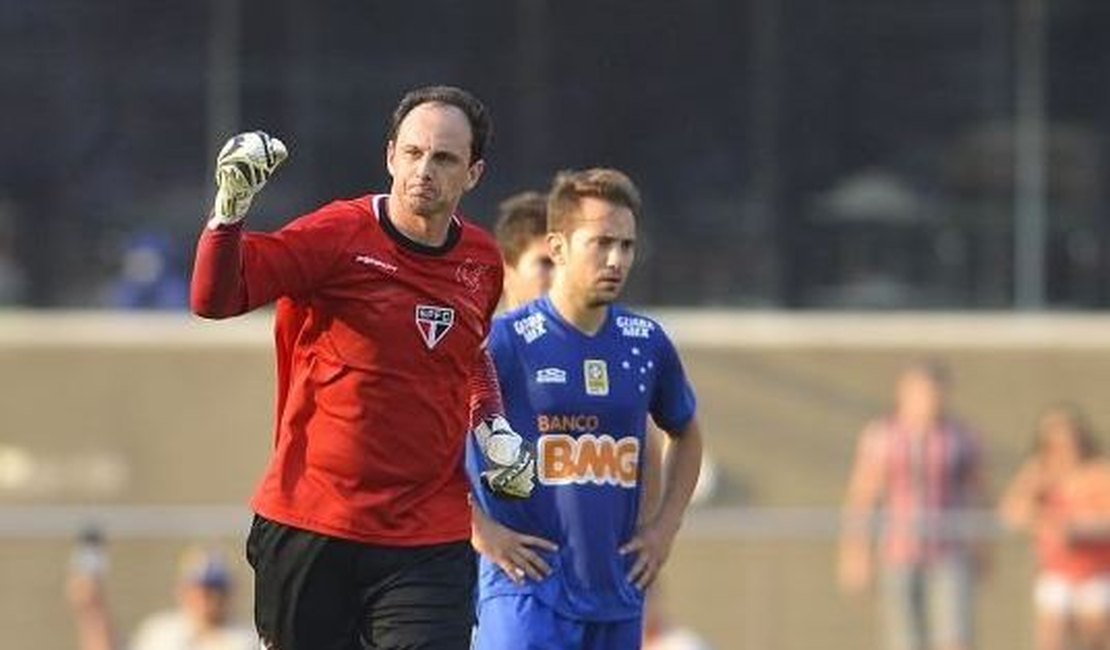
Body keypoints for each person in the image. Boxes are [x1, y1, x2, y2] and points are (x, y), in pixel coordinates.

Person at [189, 85, 534, 650]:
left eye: (444, 158)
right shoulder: (336, 235)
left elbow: (469, 353)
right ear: (390, 156)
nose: (425, 169)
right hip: (314, 522)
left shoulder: (481, 262)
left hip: (428, 532)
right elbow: (214, 298)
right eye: (414, 152)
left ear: (473, 173)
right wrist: (228, 215)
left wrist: (492, 425)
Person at [467, 168, 705, 649]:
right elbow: (429, 436)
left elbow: (685, 432)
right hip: (525, 593)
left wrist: (663, 529)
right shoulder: (505, 344)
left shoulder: (646, 344)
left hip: (616, 594)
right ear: (558, 248)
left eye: (627, 245)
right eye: (601, 243)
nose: (616, 259)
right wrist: (479, 529)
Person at [838, 359, 989, 650]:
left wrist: (983, 546)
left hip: (949, 550)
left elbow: (978, 493)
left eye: (935, 393)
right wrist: (855, 553)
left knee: (955, 636)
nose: (930, 401)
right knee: (904, 640)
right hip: (898, 551)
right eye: (921, 393)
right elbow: (862, 497)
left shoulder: (961, 437)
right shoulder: (883, 435)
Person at [999, 404, 1110, 650]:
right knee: (1051, 636)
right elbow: (1011, 512)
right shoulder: (1040, 473)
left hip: (1095, 569)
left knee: (1094, 637)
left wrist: (1080, 530)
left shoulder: (1098, 473)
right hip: (1057, 569)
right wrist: (1042, 519)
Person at [67, 541, 257, 650]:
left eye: (214, 589)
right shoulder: (160, 632)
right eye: (198, 588)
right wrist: (92, 611)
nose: (204, 598)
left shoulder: (247, 640)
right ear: (182, 591)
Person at [492, 190, 553, 310]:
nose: (560, 276)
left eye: (566, 265)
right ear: (505, 273)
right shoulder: (469, 327)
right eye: (546, 263)